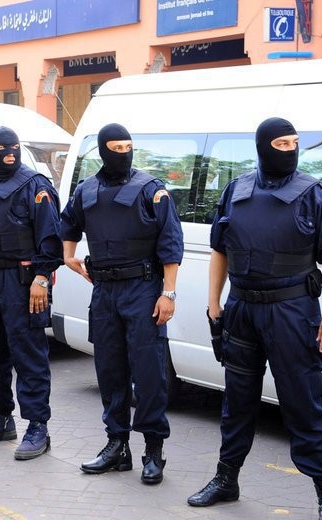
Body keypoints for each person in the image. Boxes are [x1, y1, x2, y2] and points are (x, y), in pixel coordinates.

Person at [186, 117, 322, 520]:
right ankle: (226, 479)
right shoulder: (237, 190)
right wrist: (213, 304)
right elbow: (220, 250)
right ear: (262, 147)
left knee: (304, 404)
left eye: (295, 142)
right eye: (282, 143)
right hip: (241, 309)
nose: (291, 150)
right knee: (236, 401)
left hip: (292, 311)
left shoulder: (314, 194)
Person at [59, 123, 184, 485]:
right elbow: (68, 225)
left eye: (128, 147)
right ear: (102, 151)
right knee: (110, 372)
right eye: (116, 148)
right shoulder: (86, 190)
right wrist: (68, 257)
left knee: (149, 374)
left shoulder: (151, 189)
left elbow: (170, 242)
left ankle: (153, 450)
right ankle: (117, 446)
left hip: (143, 289)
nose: (123, 153)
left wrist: (168, 293)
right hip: (105, 292)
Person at [0, 126, 63, 460]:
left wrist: (42, 277)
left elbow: (51, 238)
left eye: (14, 147)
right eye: (2, 148)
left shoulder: (35, 186)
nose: (9, 153)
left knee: (28, 354)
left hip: (23, 281)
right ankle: (0, 417)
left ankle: (37, 426)